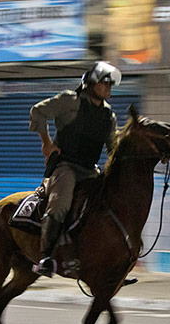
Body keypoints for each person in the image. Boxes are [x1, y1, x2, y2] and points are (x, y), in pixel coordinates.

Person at [28, 61, 121, 277]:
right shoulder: (70, 101)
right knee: (61, 204)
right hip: (65, 166)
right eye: (104, 83)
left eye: (110, 85)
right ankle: (45, 257)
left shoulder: (109, 116)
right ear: (90, 83)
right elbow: (37, 112)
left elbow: (113, 146)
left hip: (90, 170)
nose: (108, 88)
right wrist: (46, 143)